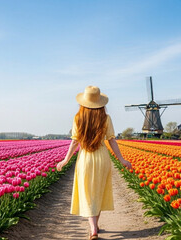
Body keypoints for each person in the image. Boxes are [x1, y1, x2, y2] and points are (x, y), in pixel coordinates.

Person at [56, 86, 132, 240]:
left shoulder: (78, 118)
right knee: (98, 192)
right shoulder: (106, 118)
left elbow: (74, 142)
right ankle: (95, 226)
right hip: (102, 158)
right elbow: (112, 140)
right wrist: (122, 159)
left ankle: (93, 229)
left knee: (88, 193)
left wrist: (66, 160)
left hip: (85, 159)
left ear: (83, 103)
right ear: (100, 103)